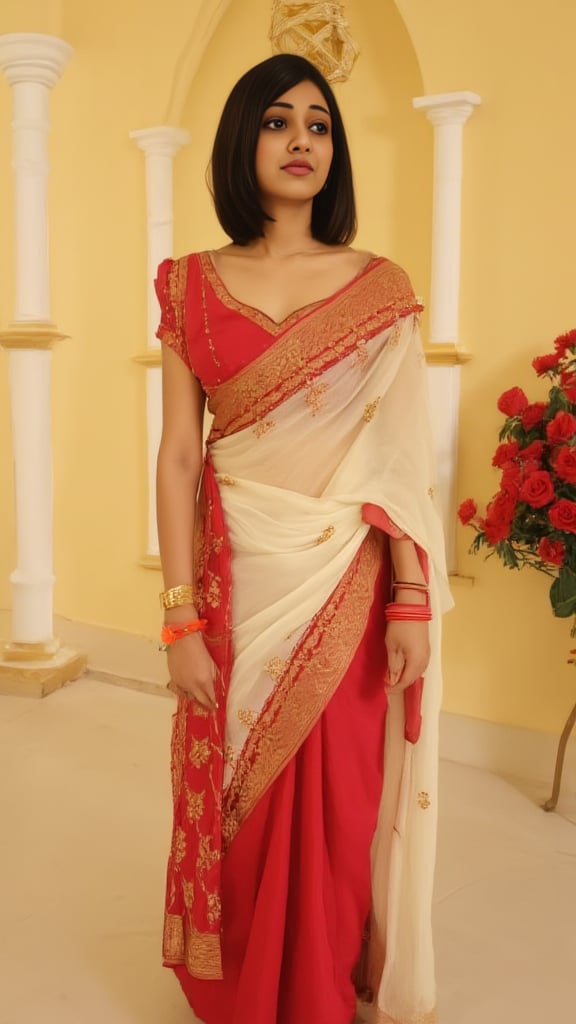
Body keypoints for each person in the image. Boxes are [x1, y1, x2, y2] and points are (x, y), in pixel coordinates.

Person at [155, 53, 451, 1024]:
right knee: (238, 789)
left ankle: (323, 986)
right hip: (235, 584)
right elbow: (178, 460)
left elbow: (398, 460)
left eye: (319, 125)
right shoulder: (192, 285)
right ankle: (244, 988)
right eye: (279, 122)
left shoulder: (380, 288)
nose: (301, 141)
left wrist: (411, 593)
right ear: (245, 139)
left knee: (339, 798)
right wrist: (178, 619)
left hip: (349, 583)